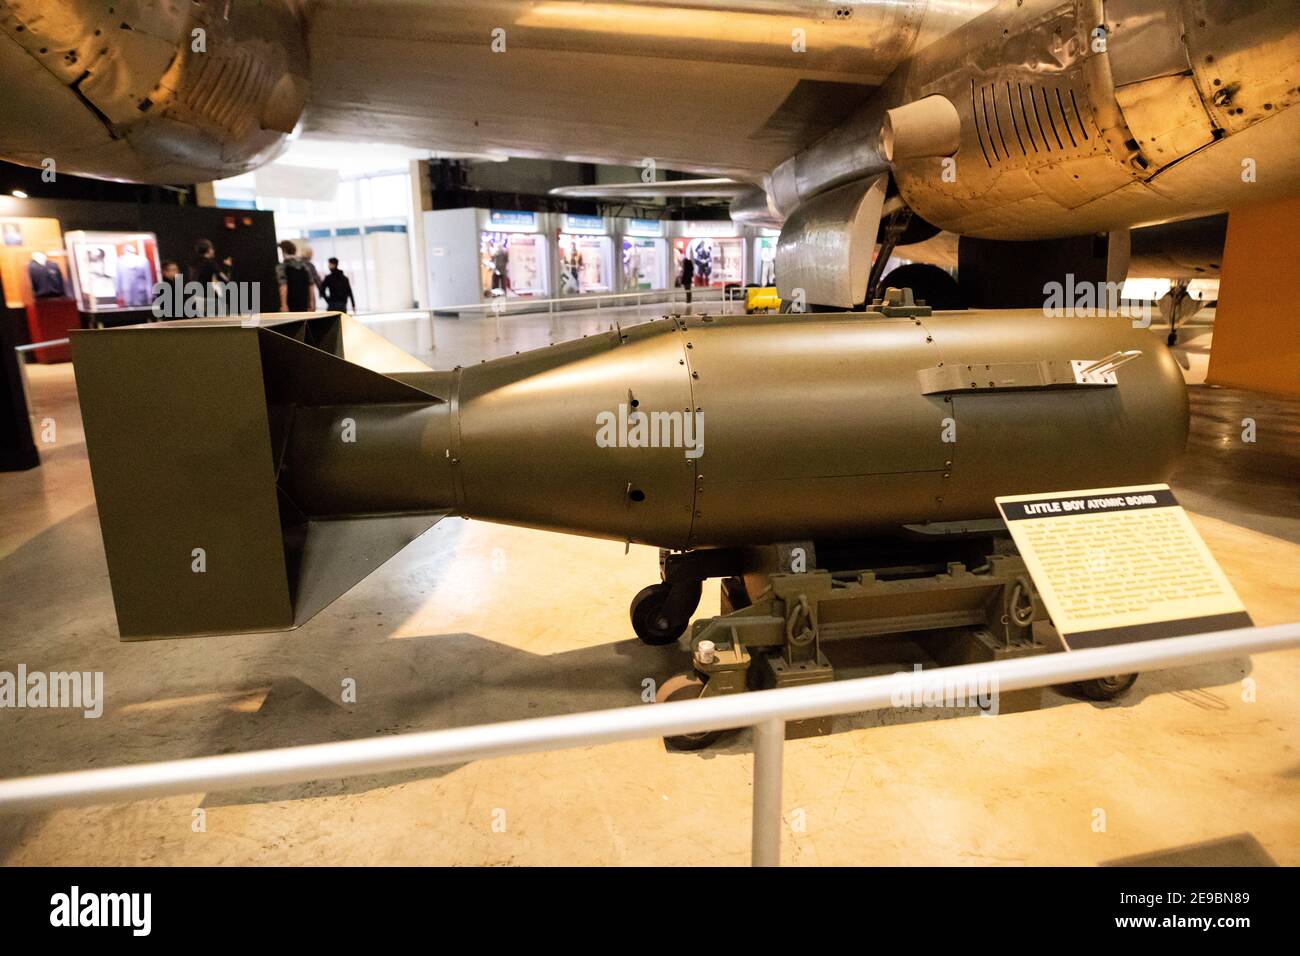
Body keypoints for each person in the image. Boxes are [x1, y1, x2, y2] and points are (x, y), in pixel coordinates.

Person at [277, 239, 315, 312]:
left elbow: (283, 286)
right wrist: (311, 303)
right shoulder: (305, 266)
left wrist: (284, 305)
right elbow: (311, 286)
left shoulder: (282, 266)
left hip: (290, 304)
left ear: (283, 251)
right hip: (303, 303)